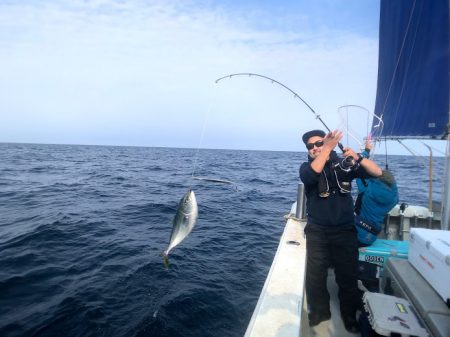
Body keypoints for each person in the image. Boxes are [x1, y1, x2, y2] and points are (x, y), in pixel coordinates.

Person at [299, 129, 382, 332]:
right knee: (316, 277)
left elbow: (377, 173)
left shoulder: (345, 164)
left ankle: (348, 315)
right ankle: (320, 316)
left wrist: (358, 157)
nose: (315, 148)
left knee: (347, 276)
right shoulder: (306, 167)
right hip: (318, 231)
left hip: (345, 230)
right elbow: (311, 176)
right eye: (311, 146)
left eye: (319, 143)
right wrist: (327, 146)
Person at [354, 140, 399, 246]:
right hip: (371, 237)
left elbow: (358, 167)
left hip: (356, 234)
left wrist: (366, 151)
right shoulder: (394, 198)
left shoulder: (367, 188)